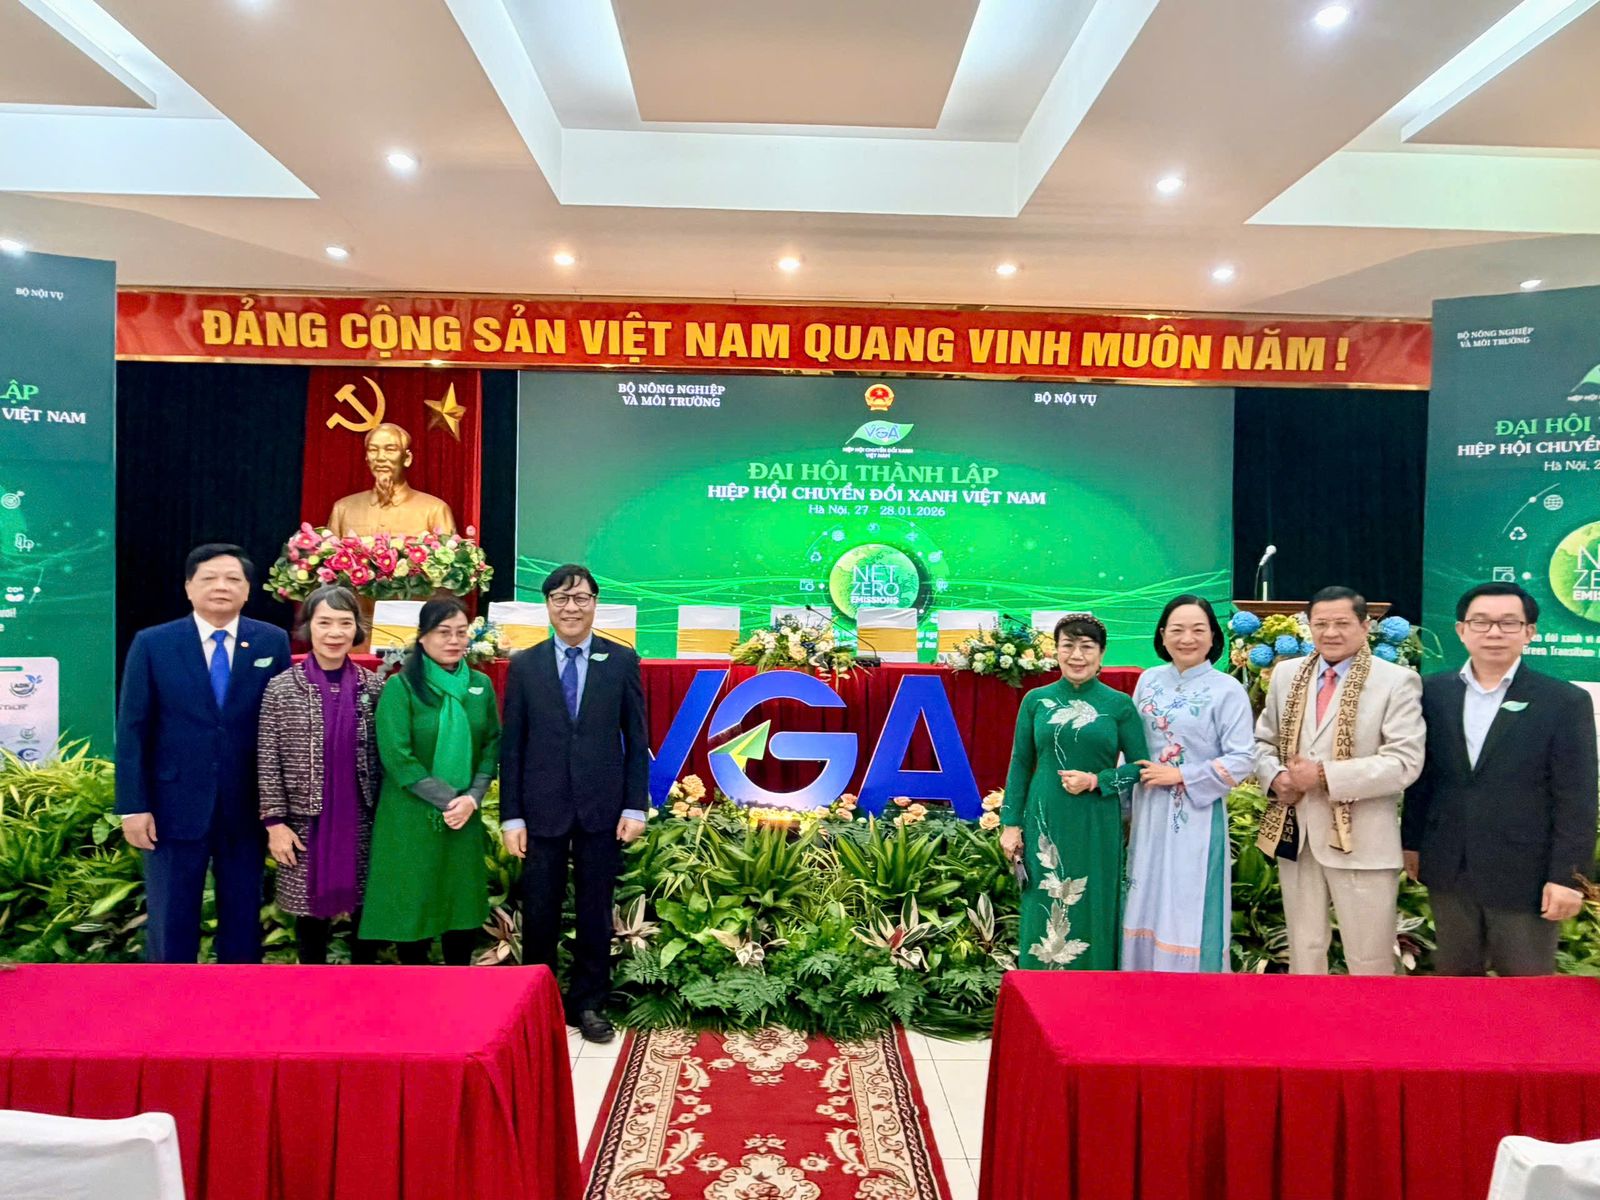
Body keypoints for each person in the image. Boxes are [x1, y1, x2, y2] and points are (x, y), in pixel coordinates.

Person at [1402, 582, 1597, 975]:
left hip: (1526, 875)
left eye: (1509, 623)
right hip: (1449, 866)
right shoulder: (1432, 692)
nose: (1494, 632)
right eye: (1481, 622)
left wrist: (1569, 877)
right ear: (1461, 630)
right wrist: (1412, 843)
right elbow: (1423, 779)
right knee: (1455, 986)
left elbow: (1577, 797)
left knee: (1525, 990)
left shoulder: (1564, 701)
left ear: (1529, 632)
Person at [115, 544, 292, 963]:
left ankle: (237, 999)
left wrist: (279, 810)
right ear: (188, 587)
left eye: (233, 579)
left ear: (247, 590)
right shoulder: (153, 643)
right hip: (172, 807)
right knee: (171, 922)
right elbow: (132, 729)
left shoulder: (271, 641)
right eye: (209, 578)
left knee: (242, 922)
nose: (221, 587)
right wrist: (133, 806)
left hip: (246, 806)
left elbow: (282, 728)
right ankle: (168, 999)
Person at [499, 564, 649, 1043]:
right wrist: (511, 815)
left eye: (581, 598)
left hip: (601, 808)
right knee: (540, 911)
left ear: (594, 603)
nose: (571, 607)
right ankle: (538, 1005)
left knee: (594, 910)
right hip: (540, 809)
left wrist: (635, 806)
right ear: (548, 606)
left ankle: (589, 1003)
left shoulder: (620, 661)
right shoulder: (525, 665)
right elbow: (512, 747)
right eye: (561, 598)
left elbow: (637, 739)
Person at [1253, 586, 1425, 975]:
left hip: (1363, 840)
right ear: (1309, 626)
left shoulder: (1396, 681)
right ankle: (1306, 1017)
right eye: (1321, 624)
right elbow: (1262, 742)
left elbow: (1404, 762)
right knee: (1304, 952)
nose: (1330, 632)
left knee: (1369, 959)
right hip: (1298, 837)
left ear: (1366, 626)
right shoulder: (1286, 675)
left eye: (1342, 623)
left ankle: (1370, 1018)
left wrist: (1324, 776)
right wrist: (1276, 777)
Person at [358, 597, 500, 964]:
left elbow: (492, 744)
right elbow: (397, 756)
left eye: (461, 633)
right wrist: (449, 800)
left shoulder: (480, 686)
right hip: (411, 814)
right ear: (422, 637)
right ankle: (417, 985)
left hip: (464, 815)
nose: (453, 641)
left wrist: (472, 797)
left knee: (460, 902)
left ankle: (458, 984)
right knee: (413, 902)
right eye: (443, 632)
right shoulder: (401, 687)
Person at [1000, 613, 1145, 970]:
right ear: (1056, 651)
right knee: (1043, 899)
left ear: (1102, 653)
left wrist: (1097, 781)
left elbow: (1141, 768)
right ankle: (1041, 988)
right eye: (1068, 646)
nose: (1077, 655)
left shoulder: (1119, 704)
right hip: (1045, 817)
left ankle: (1095, 987)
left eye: (1087, 647)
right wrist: (1010, 824)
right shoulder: (1036, 700)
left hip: (1096, 819)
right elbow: (1020, 762)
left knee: (1095, 900)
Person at [1121, 595, 1255, 972]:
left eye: (1198, 630)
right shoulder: (1148, 680)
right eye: (1177, 630)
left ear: (1213, 636)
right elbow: (1130, 747)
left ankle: (1192, 988)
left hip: (1196, 815)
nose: (1187, 639)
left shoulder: (1227, 689)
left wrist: (1181, 775)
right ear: (1162, 635)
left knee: (1186, 899)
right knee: (1145, 893)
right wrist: (1121, 804)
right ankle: (1139, 984)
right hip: (1147, 810)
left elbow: (1243, 758)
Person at [257, 585, 386, 964]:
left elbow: (386, 757)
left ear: (357, 629)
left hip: (363, 818)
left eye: (345, 623)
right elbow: (268, 759)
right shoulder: (282, 688)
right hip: (304, 822)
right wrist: (275, 824)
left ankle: (364, 989)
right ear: (308, 627)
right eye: (324, 622)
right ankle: (313, 989)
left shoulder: (373, 687)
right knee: (310, 918)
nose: (335, 633)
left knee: (366, 914)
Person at [326, 422, 456, 538]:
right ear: (367, 459)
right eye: (373, 450)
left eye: (390, 450)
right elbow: (328, 554)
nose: (380, 457)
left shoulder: (435, 510)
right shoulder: (343, 509)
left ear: (407, 458)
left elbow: (449, 554)